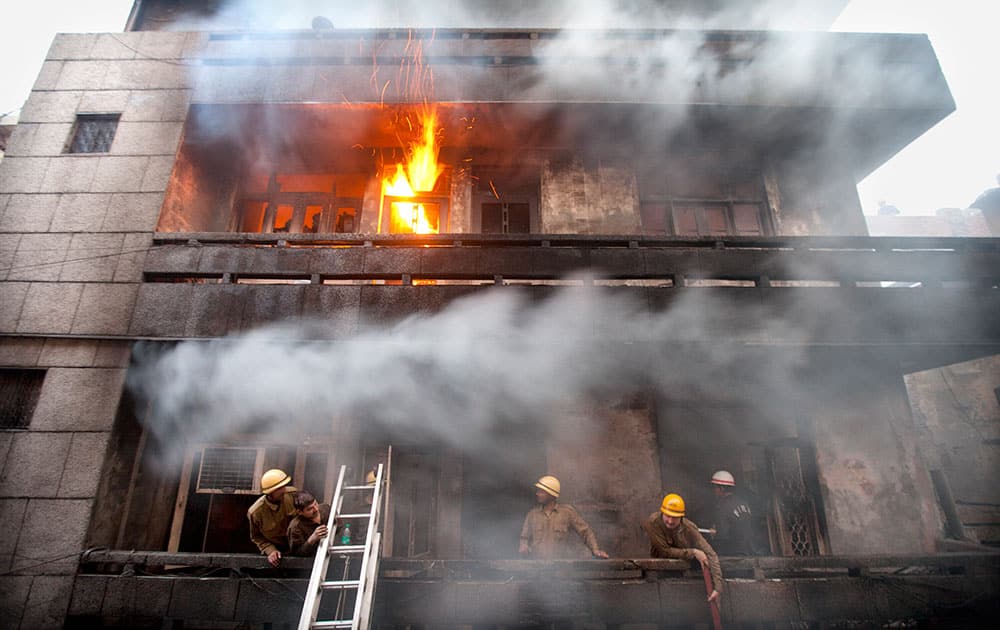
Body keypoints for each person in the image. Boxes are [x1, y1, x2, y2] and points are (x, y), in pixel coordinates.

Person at [642, 493, 723, 603]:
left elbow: (711, 554)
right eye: (667, 516)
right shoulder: (653, 522)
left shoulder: (689, 527)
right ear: (662, 513)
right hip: (659, 570)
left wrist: (718, 588)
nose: (670, 521)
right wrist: (694, 553)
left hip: (683, 571)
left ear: (681, 517)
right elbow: (664, 551)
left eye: (674, 517)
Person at [518, 475, 610, 559]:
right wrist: (523, 546)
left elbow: (585, 531)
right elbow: (524, 537)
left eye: (542, 491)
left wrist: (595, 550)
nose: (537, 494)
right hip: (537, 567)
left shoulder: (567, 513)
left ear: (551, 494)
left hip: (560, 567)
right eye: (538, 491)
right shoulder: (532, 515)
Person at [247, 468, 298, 567]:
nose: (283, 490)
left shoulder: (293, 495)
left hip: (299, 546)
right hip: (280, 552)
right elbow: (257, 537)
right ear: (270, 493)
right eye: (279, 488)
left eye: (284, 486)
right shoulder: (256, 512)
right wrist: (270, 550)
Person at [709, 470, 758, 556]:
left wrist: (714, 535)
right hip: (750, 551)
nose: (714, 491)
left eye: (715, 487)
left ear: (722, 488)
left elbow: (722, 535)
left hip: (734, 554)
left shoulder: (722, 507)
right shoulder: (744, 503)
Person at [287, 490, 334, 556]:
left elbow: (340, 527)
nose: (316, 509)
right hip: (313, 560)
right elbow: (297, 554)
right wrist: (312, 539)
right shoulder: (295, 527)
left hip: (333, 550)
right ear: (300, 512)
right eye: (309, 509)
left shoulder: (326, 509)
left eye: (315, 504)